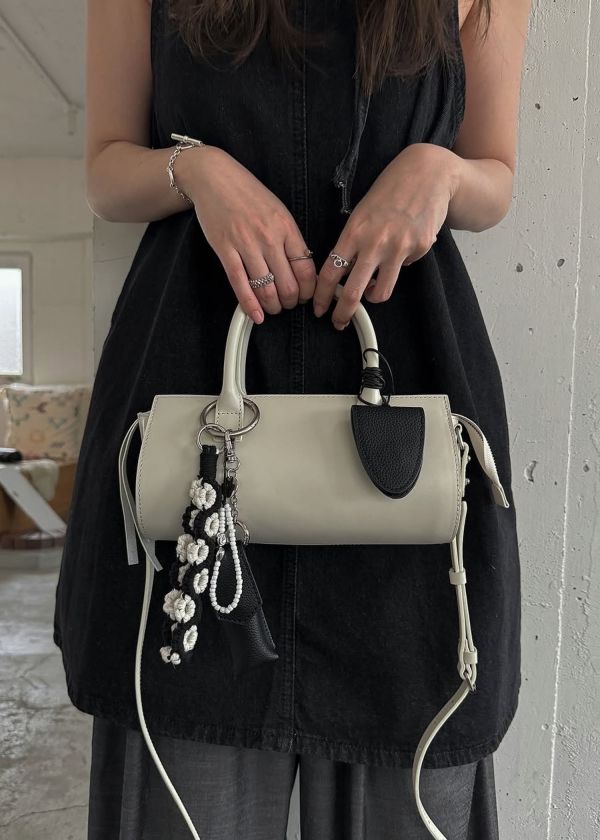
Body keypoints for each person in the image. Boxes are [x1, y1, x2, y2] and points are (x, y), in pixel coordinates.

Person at [53, 0, 532, 837]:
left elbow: (493, 176)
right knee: (183, 750)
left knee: (418, 742)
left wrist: (439, 171)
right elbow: (106, 172)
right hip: (192, 383)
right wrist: (196, 173)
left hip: (402, 402)